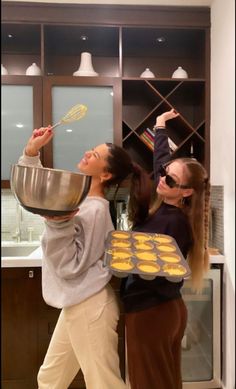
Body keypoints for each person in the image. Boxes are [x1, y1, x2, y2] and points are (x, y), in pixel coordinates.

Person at [17, 125, 152, 389]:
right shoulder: (77, 201)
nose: (87, 154)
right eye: (91, 150)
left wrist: (57, 225)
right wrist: (32, 151)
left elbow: (71, 267)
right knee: (50, 379)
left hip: (90, 306)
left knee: (104, 383)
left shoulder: (95, 211)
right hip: (79, 303)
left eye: (95, 155)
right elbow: (39, 189)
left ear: (105, 174)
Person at [120, 109, 211, 389]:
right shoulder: (171, 203)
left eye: (170, 180)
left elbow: (151, 270)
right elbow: (162, 162)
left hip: (151, 314)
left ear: (186, 192)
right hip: (165, 310)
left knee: (149, 383)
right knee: (166, 381)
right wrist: (160, 126)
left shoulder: (173, 224)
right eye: (164, 174)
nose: (162, 179)